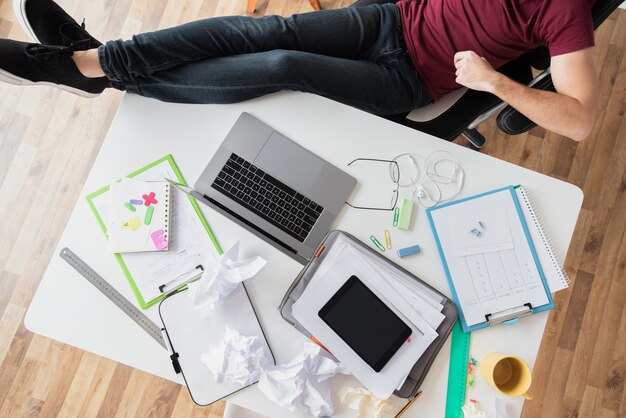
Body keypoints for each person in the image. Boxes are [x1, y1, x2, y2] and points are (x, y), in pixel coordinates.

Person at [0, 0, 598, 141]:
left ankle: (90, 65)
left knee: (285, 63)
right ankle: (96, 62)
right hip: (389, 19)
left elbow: (580, 121)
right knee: (264, 29)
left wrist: (496, 82)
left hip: (411, 79)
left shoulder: (566, 11)